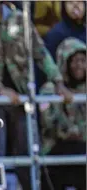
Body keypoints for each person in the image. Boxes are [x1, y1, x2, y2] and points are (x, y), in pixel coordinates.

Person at [0, 1, 72, 189]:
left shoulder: (19, 19)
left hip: (21, 99)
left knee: (29, 152)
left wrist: (58, 81)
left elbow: (40, 51)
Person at [39, 37, 86, 190]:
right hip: (55, 150)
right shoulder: (48, 90)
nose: (79, 66)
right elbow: (47, 122)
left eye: (83, 60)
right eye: (74, 60)